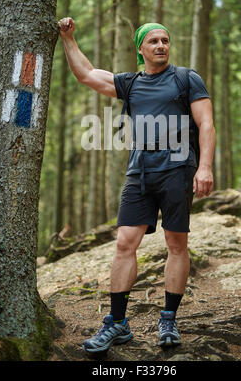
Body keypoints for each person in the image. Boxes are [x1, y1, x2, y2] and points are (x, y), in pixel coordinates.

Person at [58, 18, 215, 354]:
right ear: (140, 49)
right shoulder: (130, 83)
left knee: (176, 243)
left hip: (177, 169)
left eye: (165, 40)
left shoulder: (186, 78)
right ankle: (117, 322)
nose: (161, 45)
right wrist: (68, 39)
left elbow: (206, 124)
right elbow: (87, 74)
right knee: (124, 242)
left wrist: (204, 167)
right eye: (153, 41)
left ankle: (169, 318)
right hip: (139, 172)